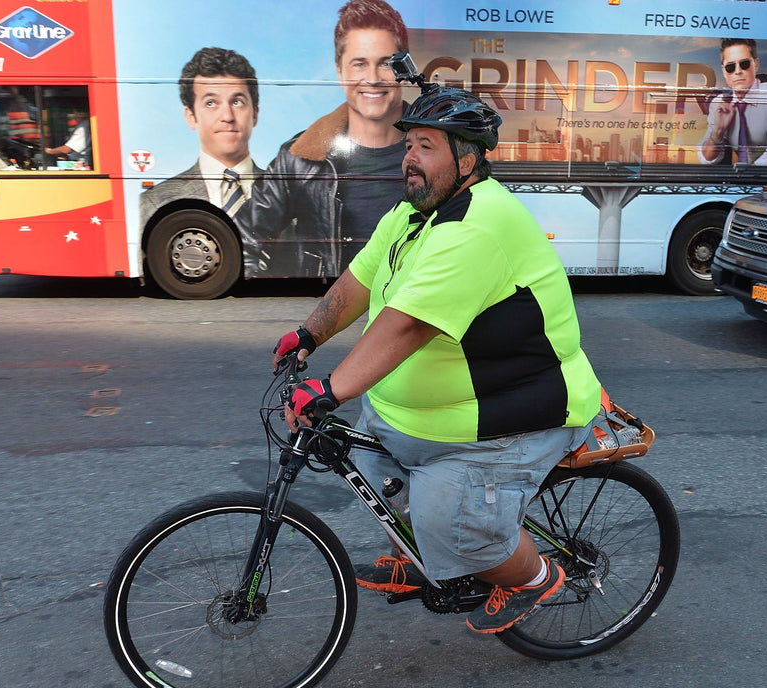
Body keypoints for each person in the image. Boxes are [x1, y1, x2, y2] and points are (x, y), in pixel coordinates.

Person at [271, 80, 603, 634]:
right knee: (366, 463)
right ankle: (426, 556)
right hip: (423, 417)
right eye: (409, 145)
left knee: (452, 522)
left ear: (467, 158)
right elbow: (361, 278)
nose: (409, 158)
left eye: (426, 146)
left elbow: (408, 327)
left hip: (503, 417)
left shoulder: (479, 225)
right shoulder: (412, 214)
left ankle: (534, 576)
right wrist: (307, 335)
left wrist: (328, 389)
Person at [239, 0, 409, 277]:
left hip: (414, 311)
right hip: (332, 312)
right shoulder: (297, 158)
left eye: (386, 64)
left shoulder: (441, 149)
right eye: (359, 64)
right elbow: (244, 238)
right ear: (340, 73)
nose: (372, 78)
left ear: (404, 70)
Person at [139, 47, 262, 236]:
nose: (227, 116)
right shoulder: (157, 201)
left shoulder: (291, 195)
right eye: (211, 103)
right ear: (190, 116)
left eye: (237, 102)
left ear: (254, 114)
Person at [698, 38, 767, 167]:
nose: (738, 71)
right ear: (724, 72)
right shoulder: (719, 103)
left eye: (744, 64)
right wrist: (718, 130)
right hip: (745, 177)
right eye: (730, 67)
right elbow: (707, 159)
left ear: (756, 64)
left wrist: (744, 181)